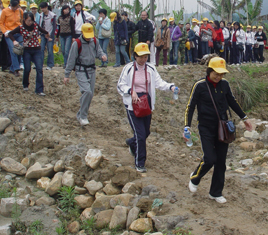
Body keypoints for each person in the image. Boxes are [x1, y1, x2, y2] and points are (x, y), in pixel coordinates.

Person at [184, 56, 253, 203]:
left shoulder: (225, 85)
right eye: (216, 73)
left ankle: (215, 192)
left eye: (221, 74)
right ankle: (195, 178)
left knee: (221, 162)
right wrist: (187, 126)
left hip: (222, 128)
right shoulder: (200, 85)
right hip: (206, 128)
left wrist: (244, 118)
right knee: (210, 158)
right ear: (209, 70)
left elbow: (232, 102)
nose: (218, 76)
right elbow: (190, 107)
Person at [117, 42, 177, 173]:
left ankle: (132, 143)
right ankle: (140, 163)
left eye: (146, 57)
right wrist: (130, 91)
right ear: (135, 56)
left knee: (146, 132)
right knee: (140, 134)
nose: (143, 59)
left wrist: (170, 87)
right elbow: (120, 85)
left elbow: (159, 82)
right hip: (133, 104)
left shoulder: (150, 68)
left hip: (146, 102)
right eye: (141, 57)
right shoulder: (128, 68)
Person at [64, 23, 107, 126]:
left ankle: (80, 114)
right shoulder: (77, 43)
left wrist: (103, 56)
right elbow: (71, 59)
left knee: (89, 94)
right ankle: (83, 117)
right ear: (82, 33)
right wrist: (67, 75)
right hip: (81, 70)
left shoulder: (95, 41)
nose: (88, 38)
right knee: (87, 92)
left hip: (92, 70)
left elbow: (99, 52)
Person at [9, 12, 51, 95]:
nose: (30, 22)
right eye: (28, 21)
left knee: (39, 69)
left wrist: (47, 34)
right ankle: (25, 84)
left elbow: (44, 31)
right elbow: (10, 33)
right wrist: (14, 41)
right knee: (27, 69)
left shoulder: (35, 25)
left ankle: (39, 90)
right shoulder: (21, 27)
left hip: (37, 50)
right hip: (27, 50)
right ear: (24, 20)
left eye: (31, 20)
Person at [0, 0, 23, 76]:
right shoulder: (5, 11)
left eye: (16, 6)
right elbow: (1, 23)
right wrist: (4, 31)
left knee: (20, 49)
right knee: (13, 50)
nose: (14, 8)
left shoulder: (20, 11)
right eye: (13, 6)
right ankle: (16, 69)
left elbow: (22, 21)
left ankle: (13, 68)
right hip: (9, 33)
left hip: (18, 33)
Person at [38, 2, 56, 70]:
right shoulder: (40, 15)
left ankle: (50, 65)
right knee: (41, 49)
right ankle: (40, 64)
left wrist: (51, 36)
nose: (42, 9)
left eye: (43, 8)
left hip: (49, 34)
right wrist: (39, 34)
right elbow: (39, 25)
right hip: (42, 34)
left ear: (46, 7)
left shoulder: (52, 15)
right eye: (41, 8)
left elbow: (54, 26)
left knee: (50, 50)